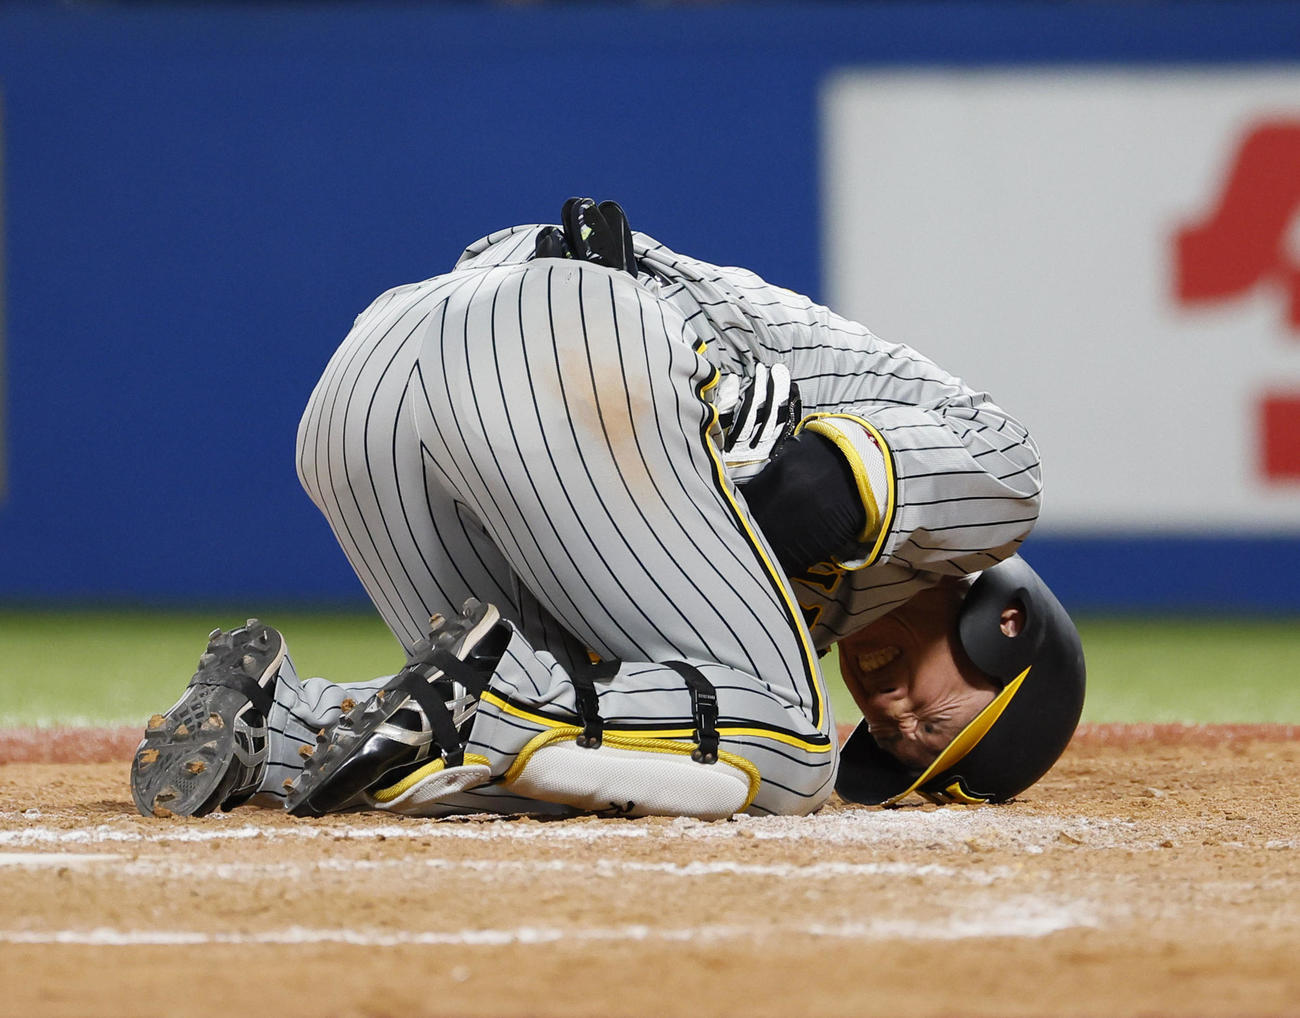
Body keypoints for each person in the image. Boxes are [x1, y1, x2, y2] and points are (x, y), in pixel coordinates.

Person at [130, 198, 1084, 822]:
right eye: (937, 722)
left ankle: (273, 721)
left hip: (366, 387)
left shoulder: (797, 612)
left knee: (605, 744)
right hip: (562, 343)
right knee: (792, 756)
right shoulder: (985, 509)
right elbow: (827, 491)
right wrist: (742, 474)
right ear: (1006, 626)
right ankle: (470, 717)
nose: (892, 717)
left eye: (894, 741)